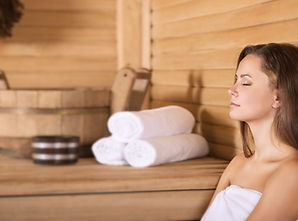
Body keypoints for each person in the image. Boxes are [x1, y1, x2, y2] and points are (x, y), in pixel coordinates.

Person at [201, 43, 298, 221]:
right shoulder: (238, 163)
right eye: (236, 79)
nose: (232, 90)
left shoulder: (293, 172)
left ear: (278, 98)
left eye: (245, 82)